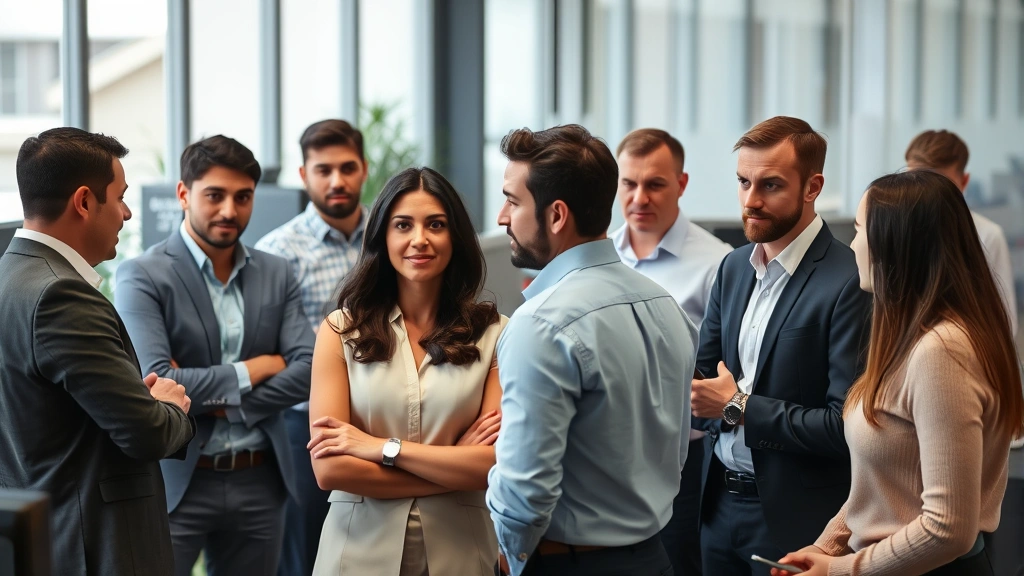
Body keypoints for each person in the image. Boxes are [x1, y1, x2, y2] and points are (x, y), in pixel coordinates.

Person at [772, 169, 1024, 575]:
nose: (852, 244)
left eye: (857, 230)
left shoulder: (942, 352)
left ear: (895, 244)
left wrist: (840, 571)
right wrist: (826, 547)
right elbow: (880, 489)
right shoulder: (913, 338)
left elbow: (948, 529)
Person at [486, 125, 698, 576]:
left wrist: (510, 555)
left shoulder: (540, 325)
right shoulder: (667, 307)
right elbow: (676, 451)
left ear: (557, 215)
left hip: (569, 563)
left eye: (513, 200)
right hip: (653, 558)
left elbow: (526, 488)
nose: (503, 216)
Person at [114, 135, 314, 576]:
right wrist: (258, 367)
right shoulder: (141, 275)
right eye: (215, 195)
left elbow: (309, 370)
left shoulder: (276, 272)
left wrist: (223, 404)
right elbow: (157, 380)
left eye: (243, 197)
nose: (230, 210)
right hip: (178, 479)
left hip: (261, 479)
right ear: (184, 194)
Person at [0, 127, 193, 576]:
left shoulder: (10, 277)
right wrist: (169, 405)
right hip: (97, 547)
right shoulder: (61, 295)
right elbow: (147, 434)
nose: (127, 213)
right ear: (85, 202)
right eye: (120, 197)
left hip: (42, 537)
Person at [690, 116, 872, 575]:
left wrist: (737, 406)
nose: (751, 201)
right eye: (743, 182)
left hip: (796, 521)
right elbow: (700, 388)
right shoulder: (733, 269)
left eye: (770, 185)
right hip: (715, 507)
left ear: (813, 187)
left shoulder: (850, 280)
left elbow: (843, 428)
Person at [307, 167, 506, 576]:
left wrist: (381, 448)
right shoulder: (339, 331)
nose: (420, 239)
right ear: (383, 236)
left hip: (460, 556)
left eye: (436, 224)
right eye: (403, 225)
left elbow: (494, 464)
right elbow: (330, 470)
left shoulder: (496, 333)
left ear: (456, 237)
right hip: (356, 557)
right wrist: (456, 465)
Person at [611, 128, 732, 575]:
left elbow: (726, 368)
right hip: (610, 451)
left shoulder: (718, 264)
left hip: (681, 460)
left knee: (677, 566)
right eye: (629, 183)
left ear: (681, 184)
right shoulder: (599, 255)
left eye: (655, 184)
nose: (640, 197)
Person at [255, 119, 369, 576]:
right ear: (304, 175)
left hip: (384, 414)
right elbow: (268, 350)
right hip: (303, 422)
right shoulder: (276, 252)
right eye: (323, 170)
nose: (336, 181)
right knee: (305, 551)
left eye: (346, 168)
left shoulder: (390, 239)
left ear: (363, 169)